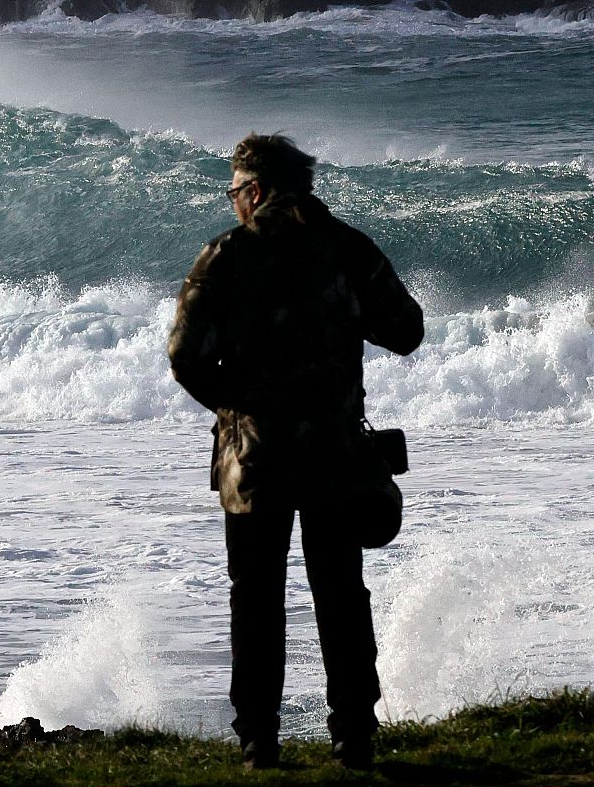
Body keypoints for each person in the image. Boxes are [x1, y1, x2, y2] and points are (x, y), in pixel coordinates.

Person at [167, 135, 423, 771]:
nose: (232, 203)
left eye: (234, 191)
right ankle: (354, 735)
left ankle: (258, 739)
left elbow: (183, 354)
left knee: (255, 596)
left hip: (253, 460)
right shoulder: (346, 247)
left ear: (255, 191)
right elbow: (406, 330)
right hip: (334, 455)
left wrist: (237, 406)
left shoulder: (228, 254)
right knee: (340, 592)